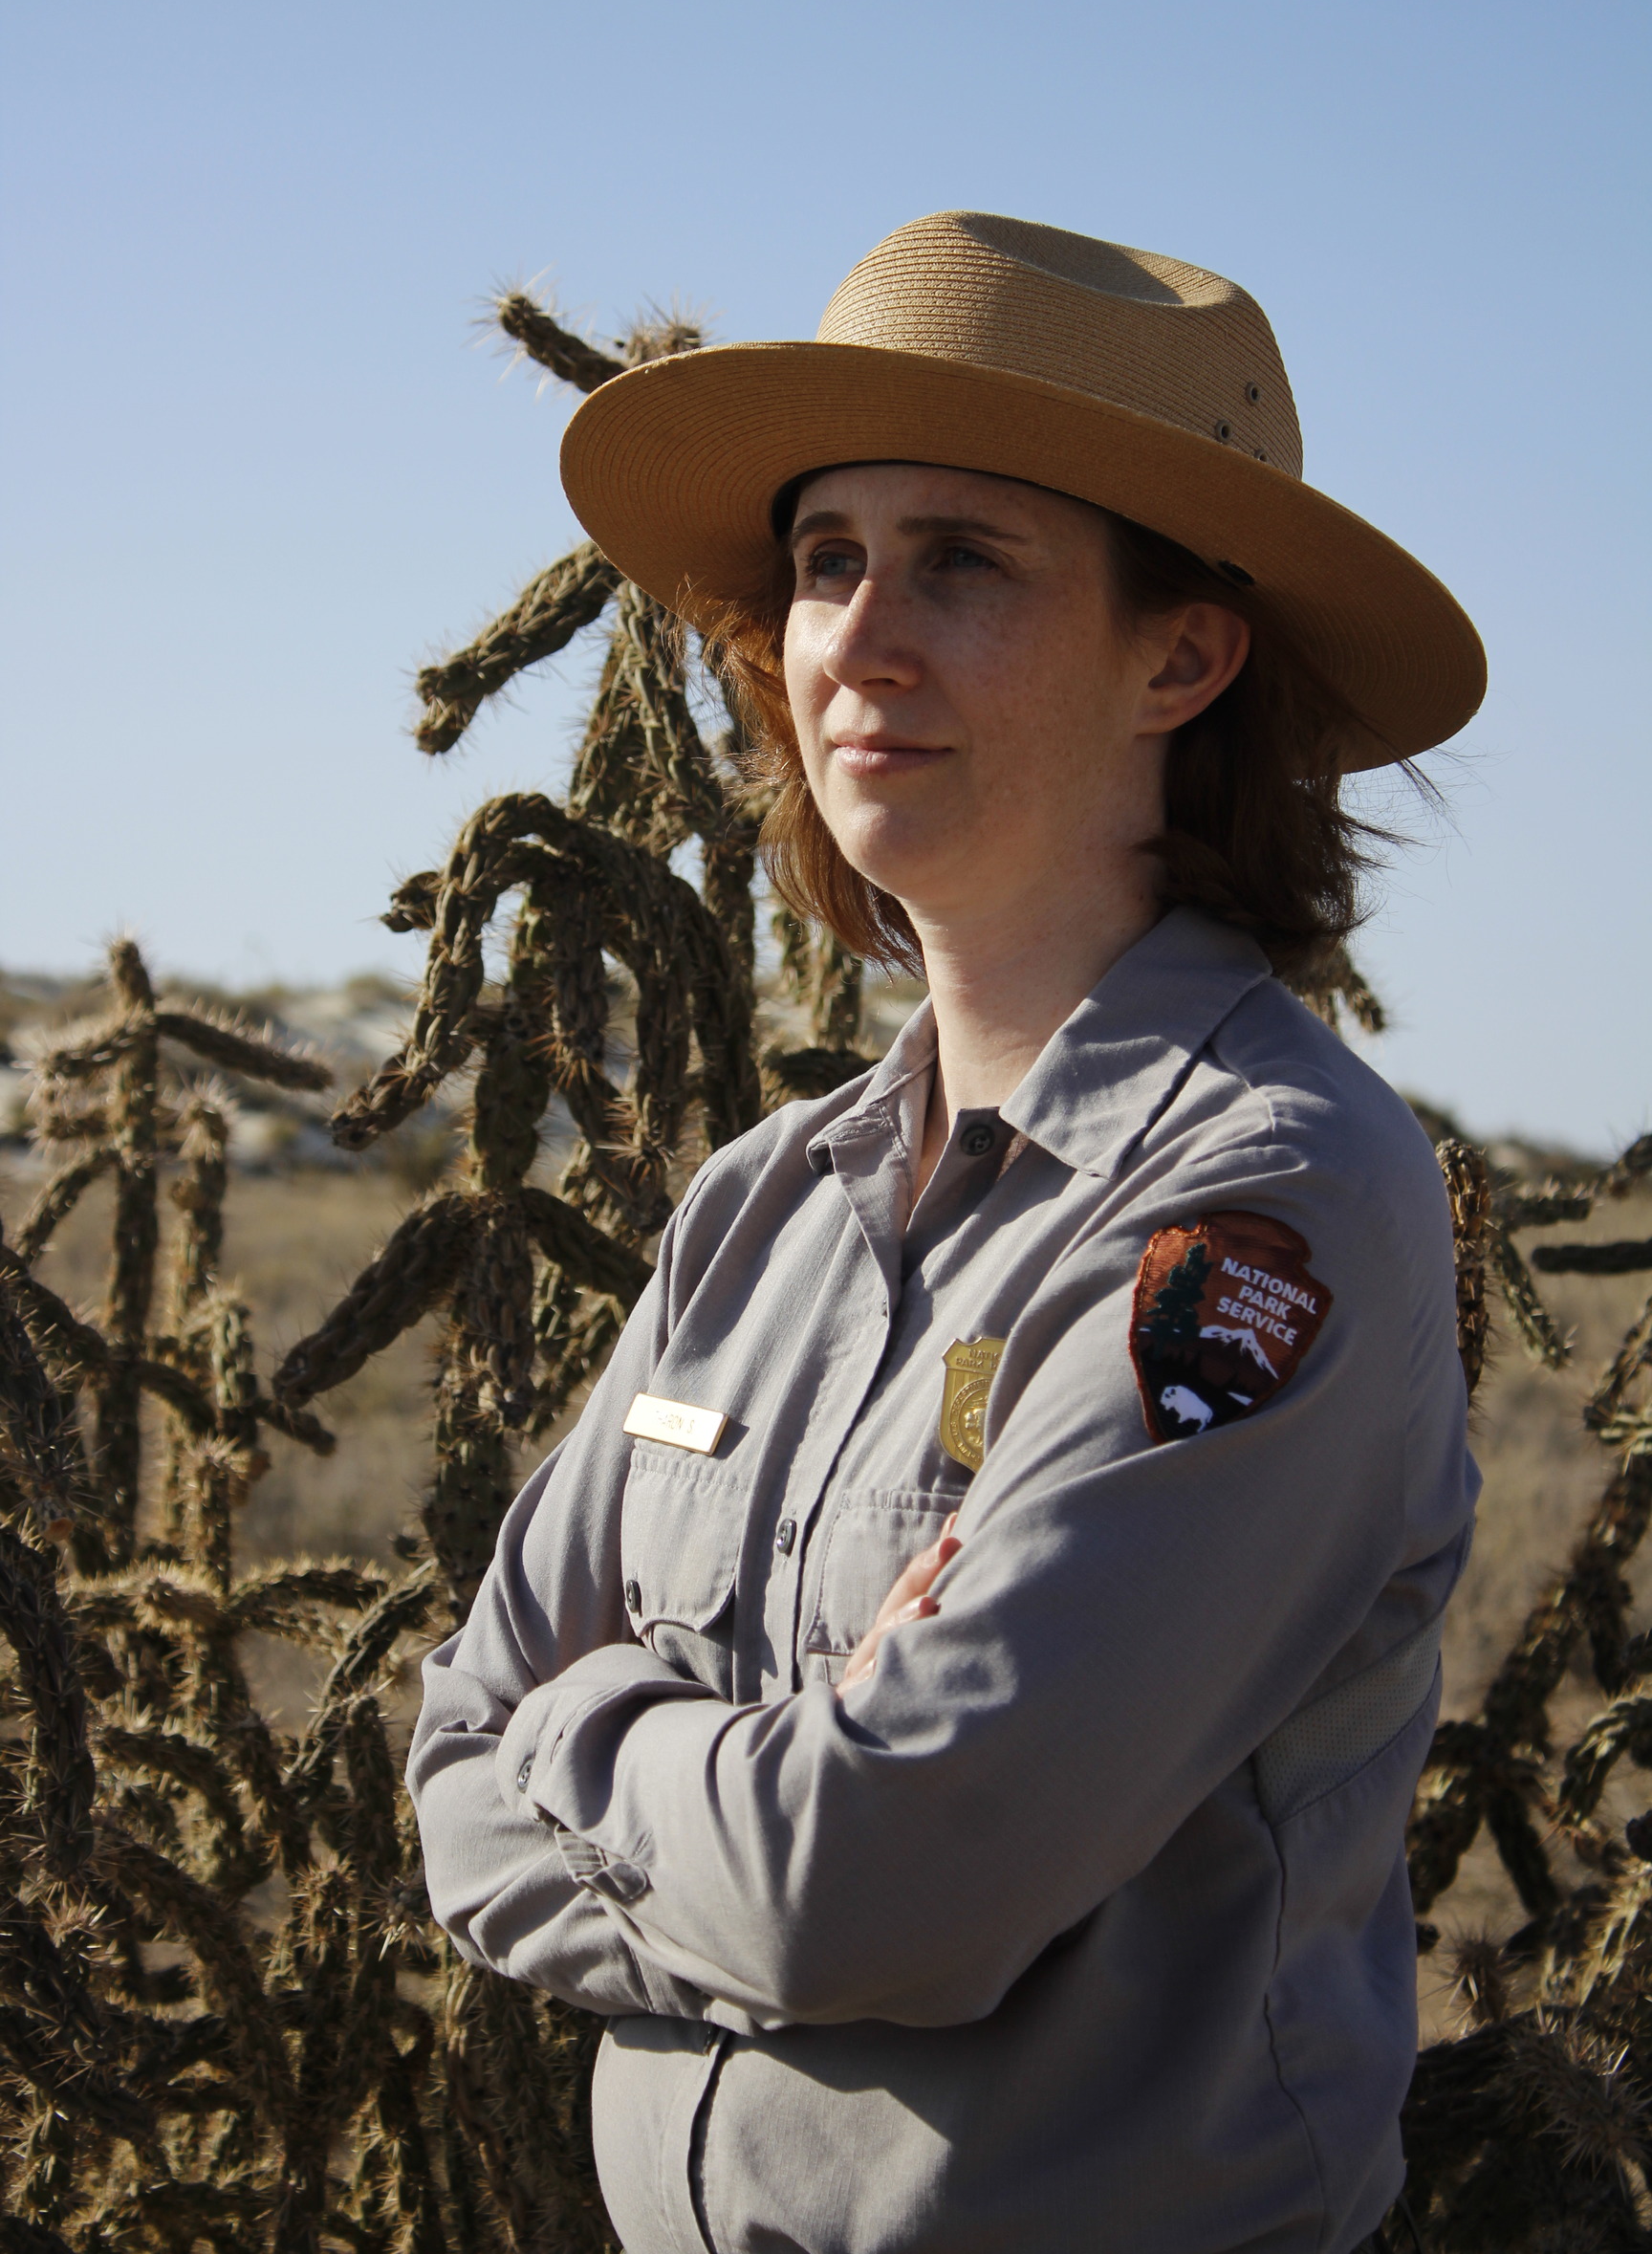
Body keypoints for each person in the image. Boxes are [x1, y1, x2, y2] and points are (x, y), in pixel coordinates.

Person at [406, 211, 1485, 2254]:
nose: (858, 642)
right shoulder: (762, 1209)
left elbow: (868, 1883)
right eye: (829, 562)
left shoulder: (1264, 1206)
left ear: (1182, 654)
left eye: (963, 563)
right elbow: (447, 1766)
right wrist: (723, 1767)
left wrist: (587, 1728)